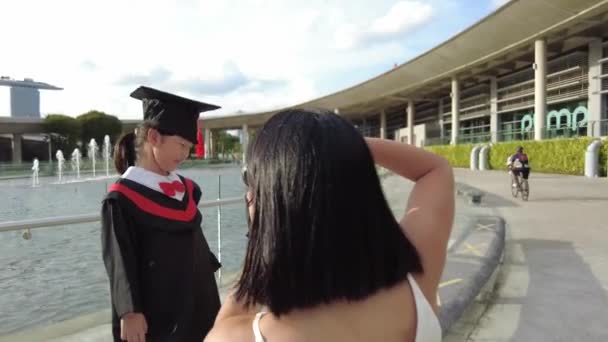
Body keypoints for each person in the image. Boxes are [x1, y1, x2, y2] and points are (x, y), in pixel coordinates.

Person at [206, 108, 454, 342]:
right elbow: (435, 169)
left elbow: (226, 321)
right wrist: (339, 148)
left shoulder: (241, 336)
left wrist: (262, 238)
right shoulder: (419, 276)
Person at [101, 86, 222, 342]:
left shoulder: (186, 190)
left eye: (189, 146)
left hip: (200, 301)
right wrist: (129, 311)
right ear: (154, 137)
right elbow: (120, 259)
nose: (185, 154)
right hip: (158, 311)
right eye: (180, 145)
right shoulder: (121, 198)